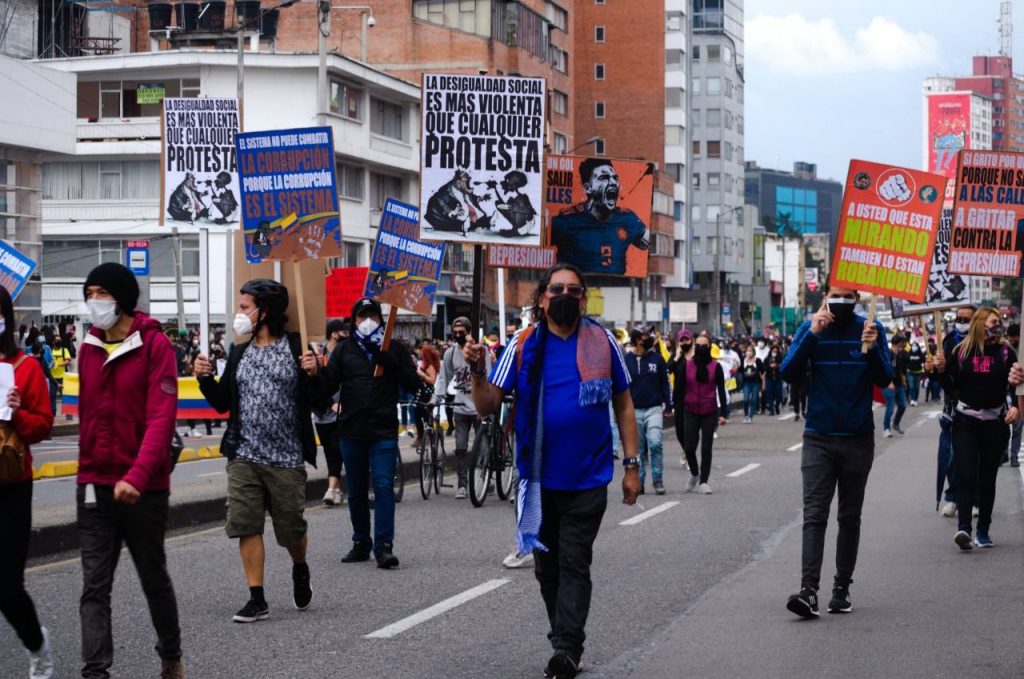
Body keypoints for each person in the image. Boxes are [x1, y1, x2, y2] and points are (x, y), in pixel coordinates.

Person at [468, 263, 639, 679]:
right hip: (537, 480)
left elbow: (624, 404)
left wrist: (632, 466)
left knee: (575, 562)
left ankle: (567, 648)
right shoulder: (523, 344)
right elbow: (489, 403)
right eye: (557, 289)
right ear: (543, 297)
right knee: (548, 569)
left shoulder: (602, 342)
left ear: (584, 298)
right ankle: (563, 635)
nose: (565, 295)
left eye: (573, 290)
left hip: (588, 480)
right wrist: (476, 369)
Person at [76, 263, 184, 678]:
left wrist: (137, 477)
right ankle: (95, 672)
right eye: (90, 292)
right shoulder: (88, 345)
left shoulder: (155, 346)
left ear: (121, 297)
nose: (94, 301)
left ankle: (171, 654)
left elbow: (161, 420)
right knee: (94, 587)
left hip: (144, 489)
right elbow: (88, 414)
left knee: (152, 577)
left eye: (101, 292)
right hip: (93, 486)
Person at [195, 279, 317, 623]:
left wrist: (315, 373)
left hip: (286, 457)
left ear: (266, 311)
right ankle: (256, 597)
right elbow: (222, 404)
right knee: (246, 524)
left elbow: (320, 398)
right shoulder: (239, 352)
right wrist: (204, 379)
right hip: (244, 454)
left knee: (290, 528)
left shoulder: (298, 347)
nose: (240, 313)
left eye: (246, 307)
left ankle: (300, 566)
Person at [781, 285, 893, 619]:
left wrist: (872, 350)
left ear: (857, 300)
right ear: (826, 296)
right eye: (835, 294)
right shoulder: (810, 327)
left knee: (849, 517)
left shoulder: (872, 329)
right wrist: (813, 334)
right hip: (818, 437)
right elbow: (788, 372)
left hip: (858, 438)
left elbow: (886, 377)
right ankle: (808, 591)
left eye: (848, 295)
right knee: (814, 516)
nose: (841, 301)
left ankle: (841, 588)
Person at [302, 298, 420, 569]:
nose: (367, 321)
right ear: (353, 320)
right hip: (351, 430)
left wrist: (387, 358)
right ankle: (361, 542)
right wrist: (313, 374)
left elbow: (412, 382)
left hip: (382, 431)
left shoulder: (395, 349)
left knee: (382, 487)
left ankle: (384, 546)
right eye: (361, 316)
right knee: (355, 489)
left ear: (380, 319)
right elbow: (326, 386)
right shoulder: (344, 350)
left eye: (372, 316)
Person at [0, 287, 56, 679]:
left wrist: (18, 413)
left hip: (11, 485)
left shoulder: (26, 367)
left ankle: (37, 645)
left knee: (7, 586)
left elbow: (43, 427)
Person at [935, 308, 1024, 549]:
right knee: (965, 473)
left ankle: (983, 530)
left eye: (999, 323)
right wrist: (939, 370)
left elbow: (1016, 385)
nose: (997, 327)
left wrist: (1016, 407)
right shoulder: (961, 351)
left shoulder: (1007, 352)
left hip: (995, 423)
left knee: (987, 478)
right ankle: (964, 528)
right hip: (966, 421)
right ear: (979, 324)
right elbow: (950, 385)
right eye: (992, 322)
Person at [550, 159, 650, 275]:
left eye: (615, 178)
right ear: (587, 188)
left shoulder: (627, 219)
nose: (613, 182)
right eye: (604, 178)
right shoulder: (567, 220)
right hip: (577, 288)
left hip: (614, 288)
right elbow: (535, 240)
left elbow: (649, 244)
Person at [434, 317, 492, 499]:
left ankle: (485, 476)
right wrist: (436, 398)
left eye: (462, 332)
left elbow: (489, 376)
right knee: (460, 448)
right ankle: (462, 485)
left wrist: (484, 404)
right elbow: (444, 378)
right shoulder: (449, 354)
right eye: (455, 332)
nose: (458, 335)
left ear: (469, 332)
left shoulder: (481, 351)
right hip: (459, 407)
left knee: (481, 445)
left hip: (478, 407)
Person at [672, 333, 729, 494]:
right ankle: (695, 473)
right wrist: (671, 406)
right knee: (689, 447)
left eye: (705, 345)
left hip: (709, 411)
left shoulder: (715, 367)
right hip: (690, 410)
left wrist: (723, 413)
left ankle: (704, 481)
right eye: (699, 345)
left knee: (706, 447)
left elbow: (721, 391)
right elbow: (679, 388)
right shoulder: (688, 365)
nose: (701, 348)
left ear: (710, 347)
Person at [626, 325, 672, 495]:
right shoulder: (626, 360)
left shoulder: (658, 359)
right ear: (638, 340)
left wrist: (669, 404)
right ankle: (640, 482)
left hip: (653, 409)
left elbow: (665, 383)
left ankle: (658, 479)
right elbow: (621, 388)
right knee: (638, 450)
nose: (650, 338)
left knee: (655, 442)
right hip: (633, 411)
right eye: (646, 335)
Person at [316, 318, 347, 506]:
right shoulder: (319, 354)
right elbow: (315, 384)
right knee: (330, 452)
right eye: (343, 332)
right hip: (322, 412)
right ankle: (337, 489)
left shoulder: (346, 353)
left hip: (342, 411)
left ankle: (331, 488)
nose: (346, 335)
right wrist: (328, 404)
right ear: (334, 333)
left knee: (337, 449)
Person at [668, 330, 695, 466]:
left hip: (695, 398)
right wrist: (676, 357)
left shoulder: (697, 356)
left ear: (692, 341)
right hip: (679, 398)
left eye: (687, 340)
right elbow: (667, 371)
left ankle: (690, 456)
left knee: (691, 429)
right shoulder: (676, 356)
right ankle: (687, 450)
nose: (684, 343)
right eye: (682, 340)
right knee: (680, 431)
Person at [414, 339, 440, 447]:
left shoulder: (430, 366)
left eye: (422, 352)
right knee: (417, 414)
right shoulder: (425, 365)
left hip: (427, 393)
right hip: (421, 392)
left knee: (425, 415)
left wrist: (422, 375)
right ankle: (421, 436)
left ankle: (429, 437)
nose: (420, 353)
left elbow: (432, 380)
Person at [882, 334, 909, 437]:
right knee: (890, 407)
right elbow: (884, 369)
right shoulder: (888, 354)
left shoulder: (900, 355)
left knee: (903, 405)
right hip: (889, 385)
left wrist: (903, 381)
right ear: (898, 343)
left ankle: (896, 424)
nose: (903, 344)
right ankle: (886, 429)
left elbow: (900, 370)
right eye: (902, 342)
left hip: (899, 385)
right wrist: (889, 382)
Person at [1007, 323, 1023, 468]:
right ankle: (1002, 454)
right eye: (1010, 338)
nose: (1012, 341)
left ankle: (1014, 456)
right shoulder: (1004, 349)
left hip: (1018, 391)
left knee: (1017, 427)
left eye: (1015, 338)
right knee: (1004, 425)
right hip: (1005, 391)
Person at [740, 345, 763, 423]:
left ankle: (750, 416)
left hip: (755, 383)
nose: (748, 352)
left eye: (750, 351)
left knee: (753, 400)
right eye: (747, 351)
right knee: (746, 399)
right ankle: (746, 415)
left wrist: (763, 383)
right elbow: (740, 370)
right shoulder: (743, 360)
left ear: (753, 352)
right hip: (746, 383)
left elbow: (763, 372)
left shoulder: (758, 360)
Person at [763, 344, 784, 416]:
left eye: (776, 351)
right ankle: (771, 409)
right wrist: (770, 366)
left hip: (778, 379)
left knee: (779, 394)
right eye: (773, 350)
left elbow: (783, 366)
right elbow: (764, 369)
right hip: (769, 379)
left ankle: (777, 405)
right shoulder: (767, 359)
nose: (774, 352)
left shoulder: (781, 359)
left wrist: (777, 366)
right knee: (770, 394)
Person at [906, 341, 926, 406]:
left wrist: (919, 358)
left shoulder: (920, 354)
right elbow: (906, 359)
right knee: (911, 386)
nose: (914, 347)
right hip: (910, 372)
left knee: (917, 387)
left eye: (915, 346)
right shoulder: (909, 353)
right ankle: (912, 399)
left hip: (918, 372)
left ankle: (915, 399)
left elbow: (924, 359)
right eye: (913, 346)